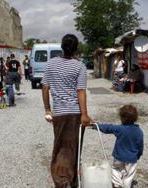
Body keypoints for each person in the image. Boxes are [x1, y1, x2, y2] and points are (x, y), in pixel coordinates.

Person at [42, 34, 92, 188]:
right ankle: (68, 180)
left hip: (59, 114)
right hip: (74, 114)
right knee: (72, 147)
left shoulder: (51, 64)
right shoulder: (80, 66)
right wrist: (84, 114)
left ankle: (61, 179)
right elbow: (81, 91)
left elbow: (45, 87)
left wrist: (47, 109)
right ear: (76, 48)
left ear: (62, 47)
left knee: (59, 146)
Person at [89, 105, 144, 188]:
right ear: (136, 118)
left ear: (122, 118)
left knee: (115, 170)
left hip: (119, 156)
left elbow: (108, 128)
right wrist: (138, 155)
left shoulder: (120, 129)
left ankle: (117, 184)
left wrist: (96, 125)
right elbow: (140, 146)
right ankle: (126, 185)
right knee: (129, 175)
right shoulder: (139, 131)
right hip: (132, 158)